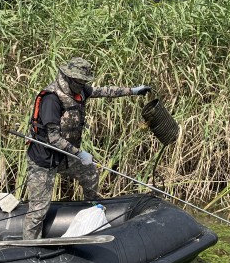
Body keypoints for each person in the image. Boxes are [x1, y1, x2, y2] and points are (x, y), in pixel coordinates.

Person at [24, 57, 151, 240]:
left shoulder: (80, 91)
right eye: (80, 81)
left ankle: (93, 211)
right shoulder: (51, 99)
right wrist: (80, 153)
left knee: (89, 171)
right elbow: (53, 138)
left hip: (65, 157)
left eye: (85, 81)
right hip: (44, 159)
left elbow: (104, 91)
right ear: (69, 78)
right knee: (38, 209)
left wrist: (133, 91)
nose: (83, 84)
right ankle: (28, 246)